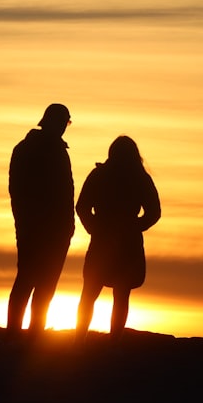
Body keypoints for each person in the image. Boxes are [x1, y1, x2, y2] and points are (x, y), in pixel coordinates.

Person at [75, 136, 161, 344]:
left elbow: (82, 207)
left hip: (105, 240)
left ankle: (79, 341)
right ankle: (113, 343)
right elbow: (154, 212)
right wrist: (133, 227)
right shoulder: (140, 178)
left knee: (90, 293)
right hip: (124, 242)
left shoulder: (100, 175)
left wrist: (95, 228)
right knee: (119, 296)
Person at [7, 103, 75, 337]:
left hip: (45, 230)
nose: (65, 128)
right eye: (65, 122)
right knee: (31, 281)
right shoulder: (36, 150)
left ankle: (24, 334)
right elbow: (19, 192)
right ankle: (21, 335)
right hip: (38, 230)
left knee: (37, 283)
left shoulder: (28, 149)